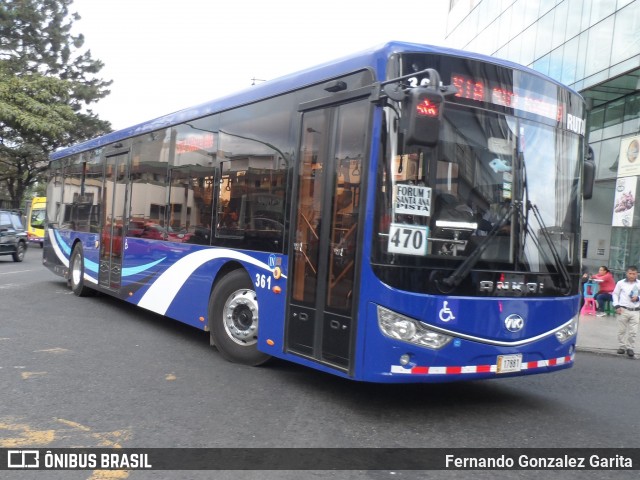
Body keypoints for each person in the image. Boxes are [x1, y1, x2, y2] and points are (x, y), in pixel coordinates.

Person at [611, 266, 640, 359]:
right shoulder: (620, 283)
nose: (632, 275)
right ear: (626, 273)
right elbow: (615, 294)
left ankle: (630, 348)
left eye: (634, 274)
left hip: (635, 310)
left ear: (637, 274)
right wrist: (616, 305)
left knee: (633, 331)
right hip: (623, 309)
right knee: (621, 330)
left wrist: (638, 298)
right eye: (630, 273)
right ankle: (622, 346)